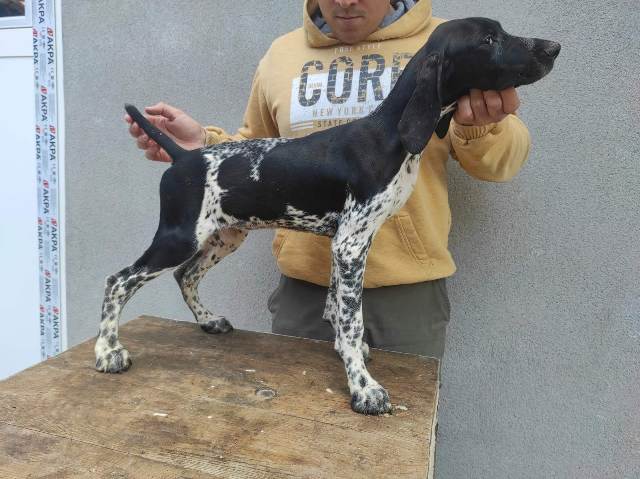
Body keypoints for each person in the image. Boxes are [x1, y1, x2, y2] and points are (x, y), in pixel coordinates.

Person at [126, 0, 530, 362]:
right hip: (304, 298)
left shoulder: (458, 45)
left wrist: (479, 126)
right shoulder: (281, 56)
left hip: (409, 301)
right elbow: (260, 151)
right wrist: (204, 147)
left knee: (399, 440)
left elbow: (500, 166)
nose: (346, 0)